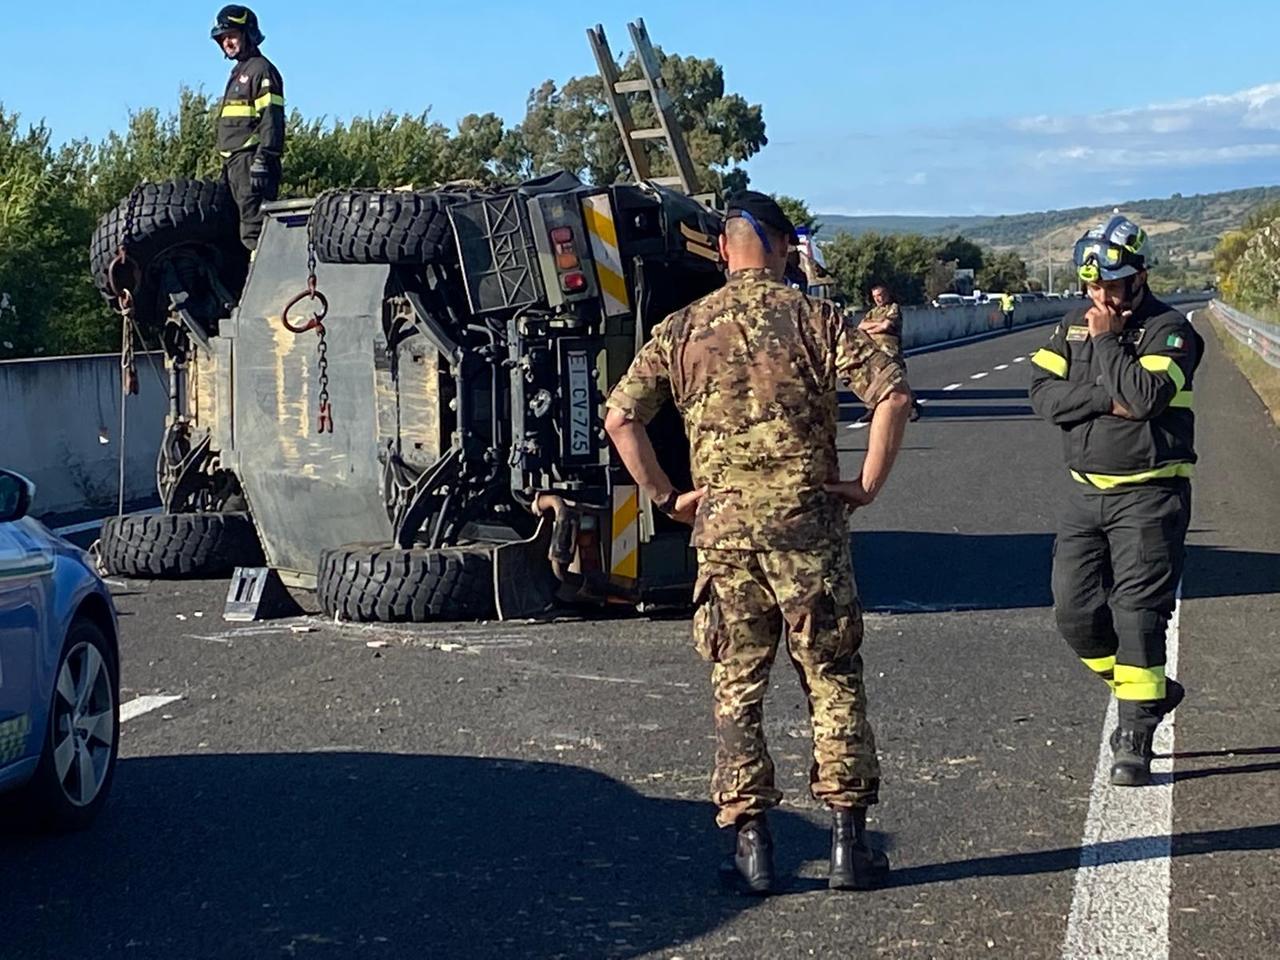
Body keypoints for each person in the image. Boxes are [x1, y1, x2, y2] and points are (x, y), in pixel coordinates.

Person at [603, 191, 912, 894]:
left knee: (737, 687)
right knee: (831, 678)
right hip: (809, 529)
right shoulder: (818, 317)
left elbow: (622, 417)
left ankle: (753, 848)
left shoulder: (682, 329)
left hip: (726, 532)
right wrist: (866, 481)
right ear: (779, 246)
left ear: (721, 249)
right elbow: (891, 394)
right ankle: (847, 846)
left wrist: (665, 496)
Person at [1029, 215, 1201, 786]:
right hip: (1085, 494)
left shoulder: (1171, 331)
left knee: (1138, 615)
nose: (1099, 298)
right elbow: (1042, 395)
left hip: (1149, 497)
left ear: (1139, 277)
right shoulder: (1073, 325)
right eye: (1091, 288)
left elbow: (1147, 398)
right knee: (1074, 613)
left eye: (1110, 286)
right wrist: (1106, 397)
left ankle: (1135, 734)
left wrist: (1106, 344)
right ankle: (1147, 691)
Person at [211, 5, 285, 251]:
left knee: (254, 230)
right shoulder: (239, 72)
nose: (226, 42)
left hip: (251, 161)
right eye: (222, 38)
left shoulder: (261, 70)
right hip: (232, 163)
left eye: (231, 35)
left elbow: (271, 120)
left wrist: (264, 158)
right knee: (231, 229)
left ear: (248, 34)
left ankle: (264, 285)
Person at [858, 284, 921, 422]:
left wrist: (872, 328)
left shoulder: (893, 308)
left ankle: (912, 405)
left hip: (891, 350)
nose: (878, 299)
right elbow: (861, 326)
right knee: (873, 380)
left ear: (887, 294)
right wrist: (877, 325)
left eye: (880, 295)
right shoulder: (873, 312)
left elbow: (886, 326)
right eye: (875, 296)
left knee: (896, 380)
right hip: (875, 351)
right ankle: (872, 408)